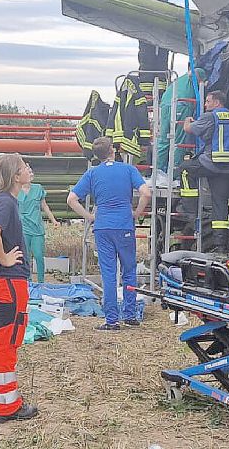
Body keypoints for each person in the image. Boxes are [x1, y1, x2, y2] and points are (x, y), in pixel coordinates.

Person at [67, 137, 151, 331]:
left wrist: (90, 216)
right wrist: (137, 213)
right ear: (113, 150)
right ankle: (130, 315)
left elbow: (72, 199)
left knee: (109, 273)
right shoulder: (128, 169)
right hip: (124, 225)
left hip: (103, 226)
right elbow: (146, 193)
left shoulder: (92, 173)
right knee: (129, 270)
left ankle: (111, 320)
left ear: (97, 155)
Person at [0, 153, 39, 422]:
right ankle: (7, 407)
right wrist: (4, 258)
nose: (29, 169)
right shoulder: (6, 203)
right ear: (16, 176)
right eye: (25, 166)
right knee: (7, 342)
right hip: (8, 281)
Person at [180, 90, 229, 253]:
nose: (206, 105)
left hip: (212, 163)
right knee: (220, 203)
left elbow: (189, 129)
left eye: (208, 101)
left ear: (217, 103)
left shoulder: (211, 116)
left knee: (185, 170)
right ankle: (220, 246)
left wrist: (187, 121)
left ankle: (190, 212)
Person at [17, 162, 59, 283]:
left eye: (31, 172)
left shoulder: (38, 188)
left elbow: (44, 206)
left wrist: (53, 220)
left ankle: (41, 281)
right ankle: (27, 280)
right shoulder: (16, 190)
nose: (30, 174)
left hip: (36, 228)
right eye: (28, 172)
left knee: (39, 256)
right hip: (23, 227)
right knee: (25, 256)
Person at [137, 0, 170, 95]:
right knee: (147, 64)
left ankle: (161, 92)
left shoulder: (160, 1)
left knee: (161, 64)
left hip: (161, 41)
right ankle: (147, 95)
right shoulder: (142, 4)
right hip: (147, 41)